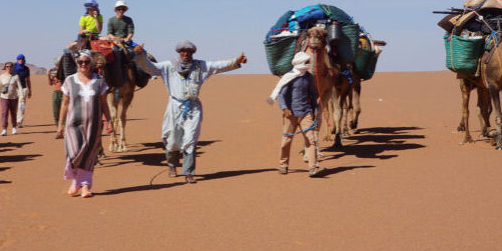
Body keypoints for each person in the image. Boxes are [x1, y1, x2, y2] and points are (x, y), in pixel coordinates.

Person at [133, 41, 247, 183]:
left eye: (189, 52)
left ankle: (189, 172)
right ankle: (172, 165)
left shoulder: (200, 66)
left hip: (193, 107)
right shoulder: (169, 66)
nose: (186, 54)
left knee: (190, 139)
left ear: (193, 53)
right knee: (172, 138)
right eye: (183, 51)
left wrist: (235, 62)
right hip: (174, 106)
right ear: (179, 52)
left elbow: (217, 66)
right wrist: (140, 55)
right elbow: (150, 68)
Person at [55, 51, 112, 198]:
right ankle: (76, 181)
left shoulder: (100, 80)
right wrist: (60, 124)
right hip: (73, 123)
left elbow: (104, 103)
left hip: (93, 125)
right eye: (80, 62)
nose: (84, 65)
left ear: (91, 63)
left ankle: (84, 185)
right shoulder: (69, 80)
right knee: (74, 153)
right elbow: (64, 104)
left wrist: (108, 121)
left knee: (89, 154)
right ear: (77, 63)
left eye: (86, 62)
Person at [269, 51, 321, 177]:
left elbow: (313, 95)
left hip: (306, 113)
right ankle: (283, 165)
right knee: (286, 141)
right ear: (300, 62)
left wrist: (315, 110)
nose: (309, 64)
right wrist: (284, 108)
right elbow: (281, 94)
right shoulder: (289, 77)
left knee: (311, 139)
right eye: (307, 62)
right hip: (290, 115)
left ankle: (313, 168)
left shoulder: (309, 77)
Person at [0, 61, 22, 136]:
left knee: (13, 113)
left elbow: (19, 87)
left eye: (10, 66)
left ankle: (14, 127)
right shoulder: (1, 77)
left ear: (13, 68)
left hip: (14, 97)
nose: (9, 68)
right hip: (4, 98)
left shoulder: (15, 76)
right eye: (7, 66)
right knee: (4, 113)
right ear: (5, 68)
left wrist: (22, 97)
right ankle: (4, 129)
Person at [12, 54, 32, 127]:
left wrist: (30, 90)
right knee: (13, 105)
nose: (21, 60)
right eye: (20, 59)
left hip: (23, 89)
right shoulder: (13, 67)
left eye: (22, 59)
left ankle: (19, 121)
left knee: (22, 105)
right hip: (14, 89)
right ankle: (13, 120)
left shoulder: (26, 69)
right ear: (17, 60)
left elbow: (28, 80)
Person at [48, 60, 63, 128]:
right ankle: (58, 128)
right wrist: (48, 75)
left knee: (64, 112)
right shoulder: (53, 73)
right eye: (56, 64)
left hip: (64, 93)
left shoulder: (65, 72)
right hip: (56, 92)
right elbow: (50, 83)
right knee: (56, 112)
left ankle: (64, 129)